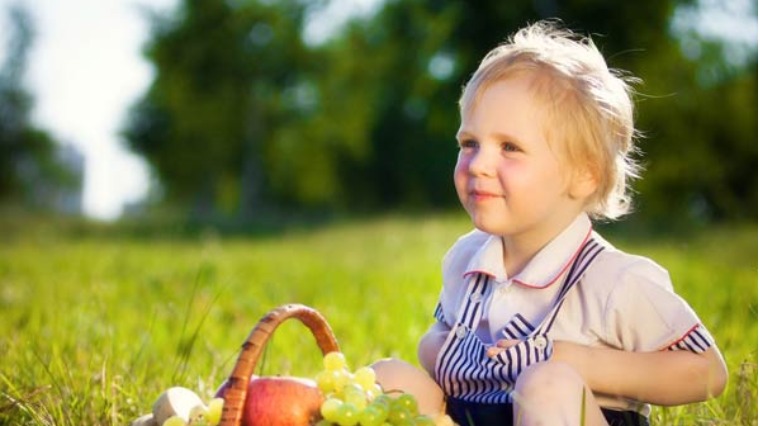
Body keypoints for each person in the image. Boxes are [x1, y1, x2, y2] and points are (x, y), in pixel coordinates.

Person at [373, 20, 727, 426]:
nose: (479, 164)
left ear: (584, 174)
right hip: (474, 414)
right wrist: (438, 348)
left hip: (570, 414)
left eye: (510, 147)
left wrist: (582, 362)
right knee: (389, 380)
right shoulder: (466, 260)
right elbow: (440, 337)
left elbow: (707, 371)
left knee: (547, 384)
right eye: (469, 143)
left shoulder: (614, 280)